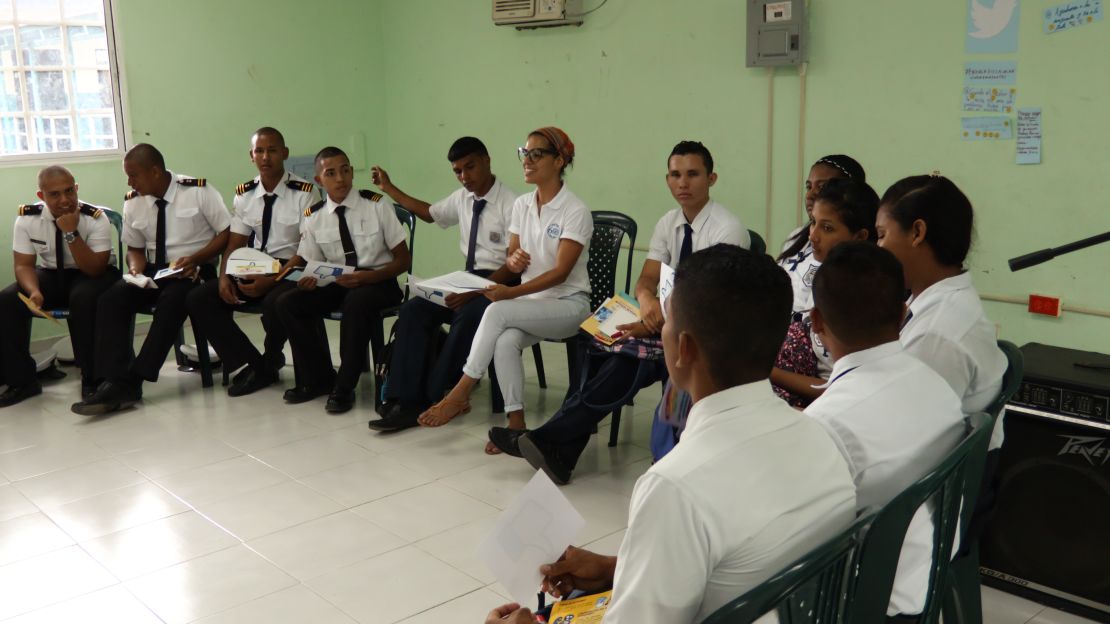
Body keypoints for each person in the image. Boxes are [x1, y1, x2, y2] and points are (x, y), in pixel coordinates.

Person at [486, 245, 856, 624]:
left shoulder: (675, 487)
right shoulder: (821, 435)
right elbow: (738, 566)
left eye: (666, 322)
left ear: (683, 348)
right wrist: (619, 568)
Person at [490, 140, 749, 480]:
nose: (683, 183)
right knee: (602, 341)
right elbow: (646, 279)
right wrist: (646, 303)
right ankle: (560, 452)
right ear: (667, 179)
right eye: (675, 175)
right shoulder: (668, 222)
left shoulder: (727, 229)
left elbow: (713, 303)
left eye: (692, 175)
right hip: (666, 323)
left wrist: (653, 323)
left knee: (623, 362)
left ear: (711, 179)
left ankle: (551, 441)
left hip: (704, 333)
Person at [803, 241, 965, 620]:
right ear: (904, 312)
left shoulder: (826, 423)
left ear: (816, 321)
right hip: (933, 564)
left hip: (868, 598)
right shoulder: (936, 384)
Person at [416, 127, 593, 445]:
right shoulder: (523, 205)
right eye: (524, 153)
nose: (527, 160)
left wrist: (511, 291)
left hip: (569, 304)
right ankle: (516, 424)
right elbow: (513, 254)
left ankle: (460, 391)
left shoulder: (575, 211)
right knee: (504, 341)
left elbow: (561, 273)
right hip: (535, 305)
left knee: (497, 311)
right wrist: (513, 263)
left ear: (560, 160)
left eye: (537, 154)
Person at [367, 136, 518, 432]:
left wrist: (476, 291)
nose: (465, 177)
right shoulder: (462, 198)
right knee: (413, 310)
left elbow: (513, 268)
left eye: (470, 167)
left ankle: (436, 397)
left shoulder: (512, 204)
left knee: (469, 314)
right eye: (458, 171)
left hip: (501, 283)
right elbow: (429, 213)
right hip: (468, 279)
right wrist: (389, 188)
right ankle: (404, 400)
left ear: (487, 160)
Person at [72, 144, 230, 416]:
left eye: (134, 175)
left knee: (172, 301)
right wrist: (135, 271)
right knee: (112, 298)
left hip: (193, 270)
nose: (129, 182)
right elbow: (134, 247)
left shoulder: (198, 191)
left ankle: (133, 381)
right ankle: (113, 379)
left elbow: (226, 233)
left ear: (155, 172)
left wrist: (196, 258)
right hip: (155, 271)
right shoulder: (134, 200)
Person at [274, 146, 411, 414]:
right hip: (339, 283)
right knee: (288, 302)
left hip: (378, 282)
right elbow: (311, 263)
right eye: (331, 173)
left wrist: (368, 277)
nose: (340, 179)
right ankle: (319, 378)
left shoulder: (376, 205)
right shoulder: (313, 217)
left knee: (357, 302)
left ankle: (344, 386)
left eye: (346, 170)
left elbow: (403, 260)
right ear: (319, 181)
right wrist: (308, 280)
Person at [186, 127, 317, 397]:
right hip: (253, 264)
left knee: (274, 301)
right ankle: (255, 364)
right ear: (251, 155)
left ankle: (270, 358)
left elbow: (306, 251)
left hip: (290, 266)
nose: (265, 156)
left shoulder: (304, 193)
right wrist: (224, 276)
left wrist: (272, 280)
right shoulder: (245, 194)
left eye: (272, 150)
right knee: (200, 297)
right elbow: (234, 244)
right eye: (259, 150)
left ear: (285, 153)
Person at [876, 175, 1006, 444]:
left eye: (882, 235)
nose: (878, 248)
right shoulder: (932, 300)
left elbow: (905, 433)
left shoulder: (937, 333)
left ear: (917, 233)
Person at [0, 166, 119, 405]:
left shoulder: (94, 217)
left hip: (95, 273)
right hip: (52, 274)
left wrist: (71, 232)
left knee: (83, 298)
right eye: (55, 194)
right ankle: (22, 380)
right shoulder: (27, 219)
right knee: (7, 300)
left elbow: (94, 268)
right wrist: (33, 291)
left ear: (76, 189)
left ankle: (92, 378)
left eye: (69, 191)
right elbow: (24, 265)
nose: (65, 200)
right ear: (41, 196)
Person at [769, 177, 879, 405]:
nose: (812, 236)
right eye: (813, 222)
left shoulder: (861, 297)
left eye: (827, 228)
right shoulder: (826, 277)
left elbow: (837, 390)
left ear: (860, 237)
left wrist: (767, 372)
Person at [777, 154, 867, 315]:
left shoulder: (843, 266)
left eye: (822, 187)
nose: (810, 195)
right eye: (809, 186)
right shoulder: (797, 236)